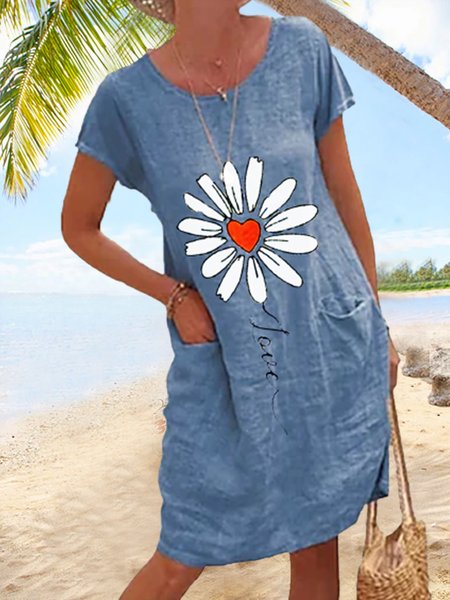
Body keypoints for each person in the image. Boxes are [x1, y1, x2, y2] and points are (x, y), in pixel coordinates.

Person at [61, 1, 400, 598]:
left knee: (316, 543)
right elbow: (78, 227)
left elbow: (344, 193)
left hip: (325, 341)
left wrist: (376, 323)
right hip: (221, 358)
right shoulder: (127, 100)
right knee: (182, 549)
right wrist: (172, 295)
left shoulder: (303, 51)